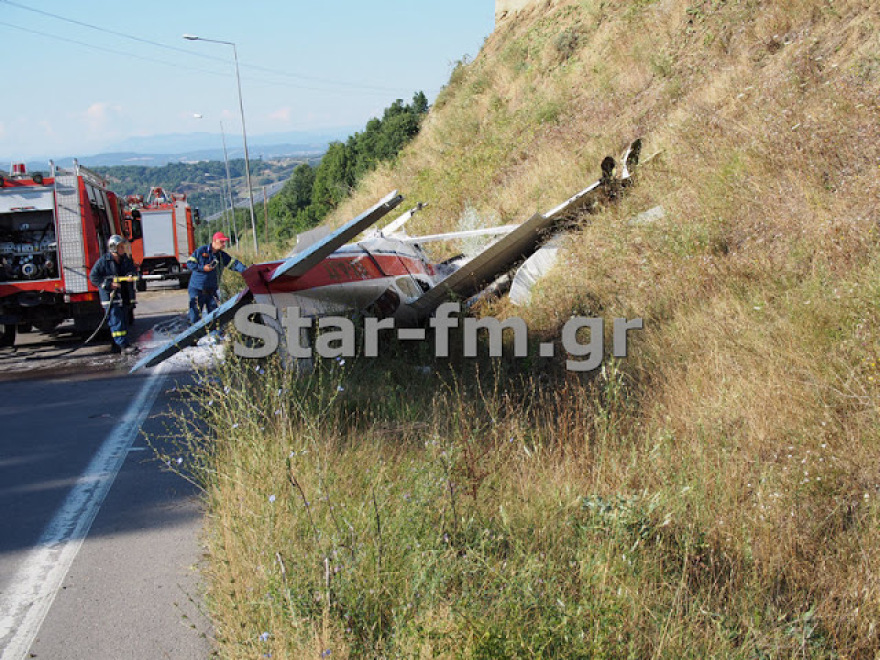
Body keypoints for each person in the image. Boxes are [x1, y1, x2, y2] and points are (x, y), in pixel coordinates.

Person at [89, 234, 139, 355]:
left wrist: (131, 275)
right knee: (116, 322)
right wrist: (108, 285)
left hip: (124, 297)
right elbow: (93, 277)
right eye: (121, 247)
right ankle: (123, 346)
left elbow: (132, 270)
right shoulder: (103, 261)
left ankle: (118, 345)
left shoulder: (125, 260)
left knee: (124, 321)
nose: (123, 249)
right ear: (113, 248)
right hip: (111, 298)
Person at [186, 231, 247, 326]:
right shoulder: (201, 251)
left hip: (211, 291)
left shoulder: (222, 256)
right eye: (221, 241)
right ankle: (193, 339)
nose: (224, 244)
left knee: (215, 318)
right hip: (197, 290)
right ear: (214, 241)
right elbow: (190, 264)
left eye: (224, 242)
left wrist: (247, 271)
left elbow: (234, 264)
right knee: (195, 318)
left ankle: (216, 337)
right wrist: (203, 268)